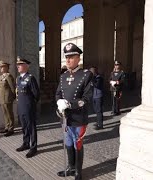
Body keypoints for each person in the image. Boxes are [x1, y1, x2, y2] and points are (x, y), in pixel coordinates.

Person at [56, 43, 93, 180]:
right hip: (66, 118)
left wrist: (69, 104)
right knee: (68, 143)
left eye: (71, 57)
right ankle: (70, 167)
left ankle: (78, 171)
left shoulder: (86, 75)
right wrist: (59, 103)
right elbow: (58, 94)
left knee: (77, 144)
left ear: (78, 58)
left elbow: (86, 98)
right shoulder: (63, 76)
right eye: (66, 57)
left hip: (78, 117)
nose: (68, 60)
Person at [15, 56, 40, 158]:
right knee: (24, 126)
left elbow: (36, 94)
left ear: (25, 66)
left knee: (31, 128)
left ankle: (33, 147)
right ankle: (26, 143)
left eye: (20, 65)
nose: (18, 67)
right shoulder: (19, 78)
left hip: (29, 107)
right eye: (17, 65)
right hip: (21, 107)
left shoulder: (30, 78)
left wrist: (31, 105)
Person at [0, 61, 16, 137]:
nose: (1, 69)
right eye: (1, 67)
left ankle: (11, 129)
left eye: (2, 67)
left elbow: (12, 88)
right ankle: (6, 127)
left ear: (6, 68)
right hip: (2, 98)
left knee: (9, 114)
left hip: (8, 98)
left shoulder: (9, 76)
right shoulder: (1, 77)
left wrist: (13, 96)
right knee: (5, 114)